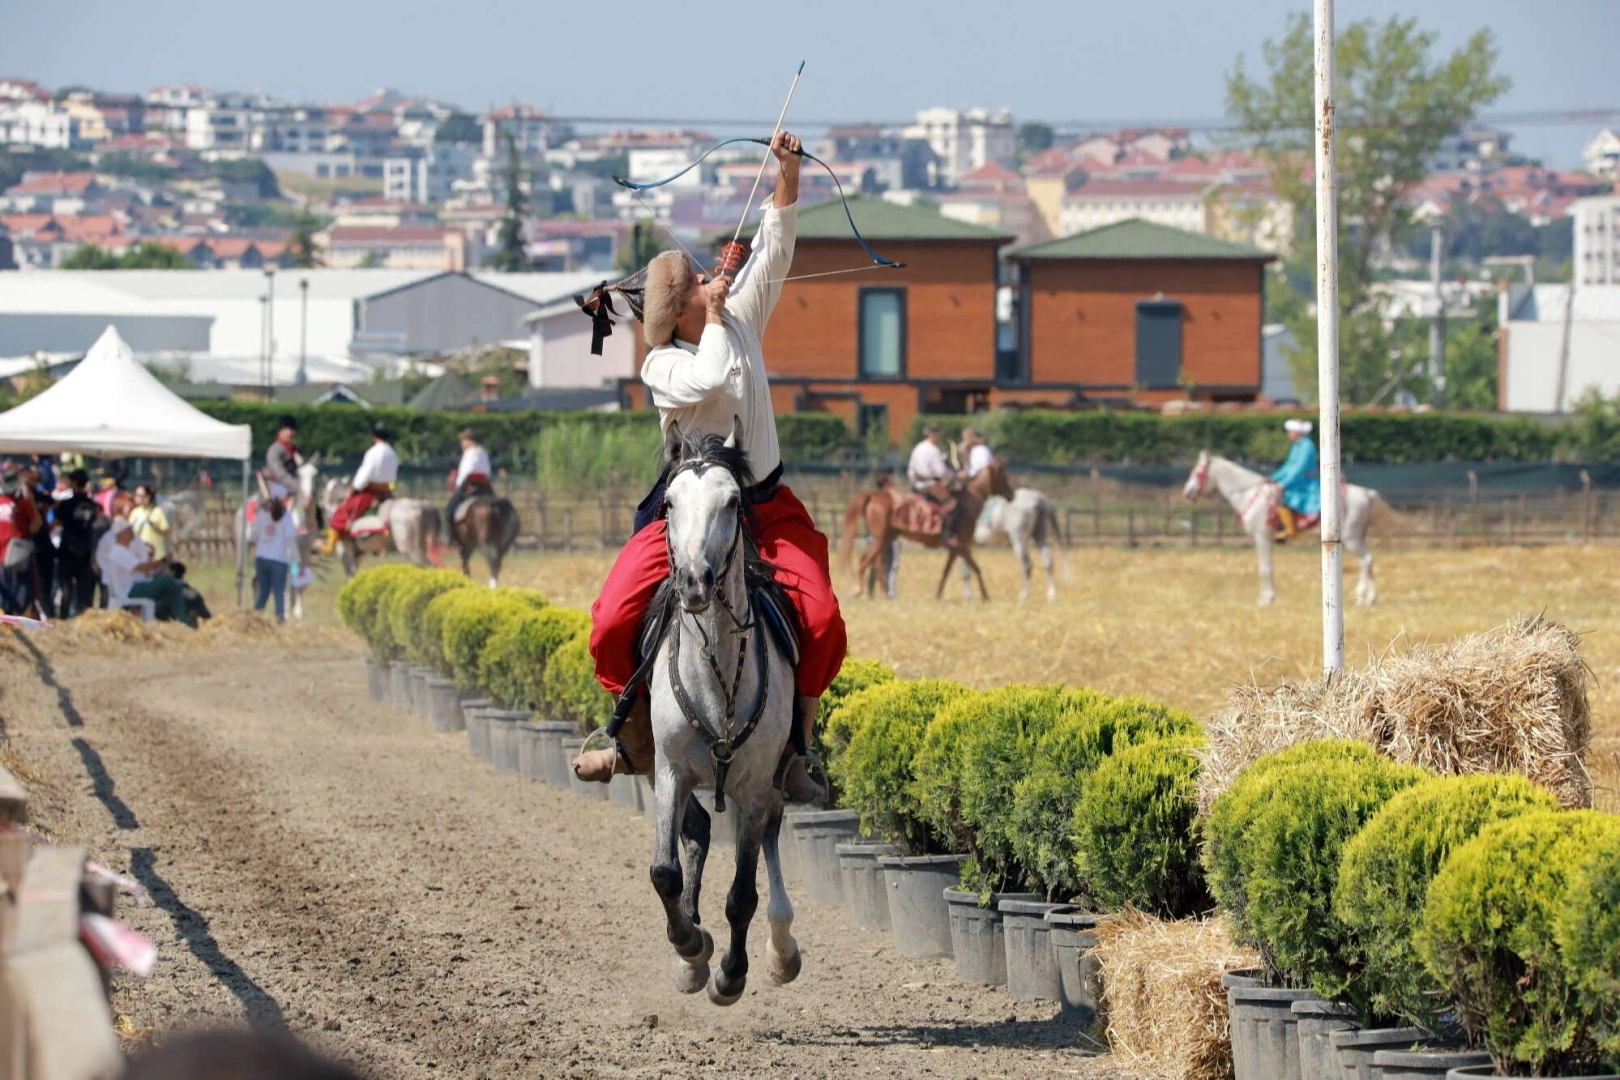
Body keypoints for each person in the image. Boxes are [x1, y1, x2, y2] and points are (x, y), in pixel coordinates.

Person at [575, 130, 846, 804]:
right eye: (700, 280)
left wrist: (785, 174)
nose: (712, 278)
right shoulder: (661, 362)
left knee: (823, 620)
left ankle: (796, 752)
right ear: (683, 308)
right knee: (610, 621)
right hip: (688, 512)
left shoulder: (735, 313)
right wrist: (723, 311)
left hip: (766, 508)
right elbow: (710, 375)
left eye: (708, 274)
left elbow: (775, 243)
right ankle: (627, 735)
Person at [316, 421, 399, 555]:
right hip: (387, 492)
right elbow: (393, 477)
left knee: (339, 516)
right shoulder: (392, 454)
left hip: (369, 493)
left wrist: (353, 488)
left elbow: (363, 477)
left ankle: (329, 547)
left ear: (374, 436)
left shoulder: (373, 452)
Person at [100, 516, 193, 626]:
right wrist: (162, 561)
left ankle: (181, 622)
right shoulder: (118, 552)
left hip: (135, 587)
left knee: (172, 592)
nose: (131, 533)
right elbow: (142, 567)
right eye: (129, 530)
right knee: (167, 580)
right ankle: (182, 621)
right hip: (131, 589)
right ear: (122, 533)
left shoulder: (121, 551)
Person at [55, 468, 101, 617]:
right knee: (84, 589)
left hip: (67, 548)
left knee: (66, 587)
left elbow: (57, 522)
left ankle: (63, 618)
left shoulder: (65, 504)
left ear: (73, 483)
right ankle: (84, 617)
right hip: (86, 548)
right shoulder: (93, 505)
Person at [907, 424, 960, 545]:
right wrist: (955, 475)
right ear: (933, 435)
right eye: (938, 434)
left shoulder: (918, 447)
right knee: (954, 505)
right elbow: (941, 471)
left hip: (916, 483)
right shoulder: (933, 450)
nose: (939, 436)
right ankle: (947, 535)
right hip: (930, 484)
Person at [252, 483, 298, 622]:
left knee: (263, 592)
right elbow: (291, 540)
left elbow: (255, 535)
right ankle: (280, 619)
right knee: (279, 592)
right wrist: (297, 560)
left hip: (261, 557)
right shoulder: (287, 517)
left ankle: (255, 618)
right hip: (279, 559)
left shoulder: (261, 514)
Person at [1272, 418, 1321, 542]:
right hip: (1298, 481)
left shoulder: (1307, 445)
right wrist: (1274, 478)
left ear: (1297, 432)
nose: (1289, 434)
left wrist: (1283, 484)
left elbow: (1299, 469)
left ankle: (1290, 530)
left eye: (1290, 431)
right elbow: (1288, 466)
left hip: (1306, 483)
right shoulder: (1297, 445)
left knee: (1282, 498)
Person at [0, 466, 40, 616]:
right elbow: (36, 526)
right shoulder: (23, 503)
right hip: (17, 557)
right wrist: (32, 502)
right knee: (20, 594)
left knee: (4, 597)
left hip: (1, 557)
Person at [445, 427, 492, 528]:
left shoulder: (469, 453)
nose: (462, 444)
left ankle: (450, 535)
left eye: (462, 441)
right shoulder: (483, 452)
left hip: (470, 485)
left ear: (467, 441)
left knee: (450, 509)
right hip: (484, 485)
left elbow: (465, 472)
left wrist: (458, 486)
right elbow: (488, 471)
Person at [128, 483, 172, 561]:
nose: (136, 498)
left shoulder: (157, 511)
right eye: (136, 495)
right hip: (140, 554)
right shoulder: (135, 512)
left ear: (147, 497)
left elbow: (165, 531)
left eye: (140, 496)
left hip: (157, 555)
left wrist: (154, 526)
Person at [265, 414, 303, 495]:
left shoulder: (296, 449)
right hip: (277, 486)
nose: (289, 433)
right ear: (279, 431)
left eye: (292, 429)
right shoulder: (274, 451)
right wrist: (298, 486)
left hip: (297, 485)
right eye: (286, 429)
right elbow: (280, 474)